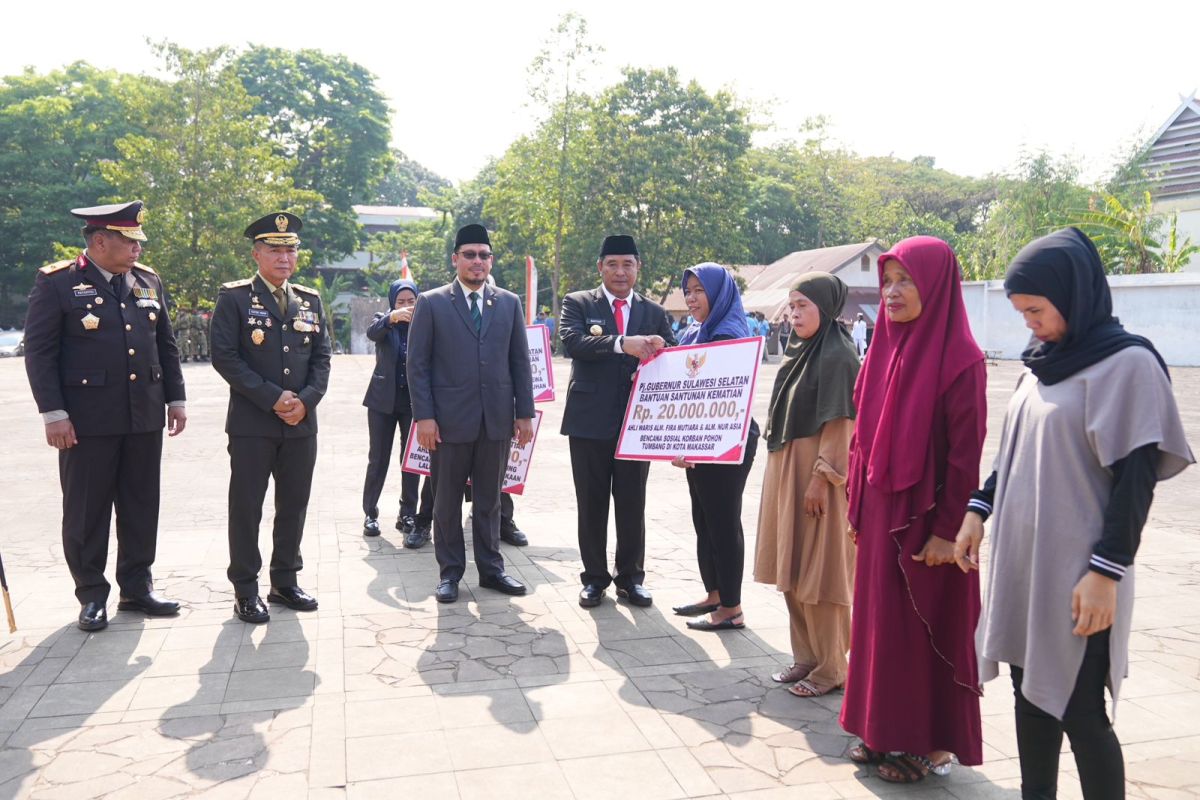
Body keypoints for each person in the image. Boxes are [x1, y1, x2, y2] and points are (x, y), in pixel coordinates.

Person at [955, 228, 1193, 800]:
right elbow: (1013, 454)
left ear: (1074, 294)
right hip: (1023, 566)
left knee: (1081, 713)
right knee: (1029, 698)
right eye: (1021, 312)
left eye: (1036, 310)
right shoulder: (1041, 363)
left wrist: (1105, 573)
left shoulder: (1128, 365)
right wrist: (976, 511)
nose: (1029, 324)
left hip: (1079, 571)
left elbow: (1136, 483)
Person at [840, 235, 987, 782]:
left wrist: (949, 532)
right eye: (888, 281)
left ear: (937, 286)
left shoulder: (961, 360)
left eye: (906, 281)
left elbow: (966, 459)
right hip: (881, 513)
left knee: (920, 631)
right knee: (880, 627)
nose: (893, 292)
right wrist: (857, 507)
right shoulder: (883, 346)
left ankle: (932, 745)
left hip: (928, 523)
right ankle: (881, 731)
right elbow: (862, 440)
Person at [23, 200, 186, 631]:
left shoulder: (147, 281)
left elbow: (164, 344)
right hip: (86, 420)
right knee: (87, 510)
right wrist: (53, 413)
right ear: (99, 241)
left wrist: (176, 399)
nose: (137, 249)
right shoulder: (58, 282)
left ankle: (137, 587)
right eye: (128, 241)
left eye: (137, 240)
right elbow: (40, 354)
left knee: (140, 504)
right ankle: (91, 593)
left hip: (143, 415)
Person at [210, 212, 332, 624]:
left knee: (294, 504)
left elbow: (322, 359)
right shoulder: (235, 298)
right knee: (246, 507)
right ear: (256, 254)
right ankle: (246, 589)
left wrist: (306, 400)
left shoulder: (310, 300)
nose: (284, 257)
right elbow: (225, 358)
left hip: (301, 423)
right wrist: (273, 398)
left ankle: (284, 580)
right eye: (275, 250)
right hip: (253, 423)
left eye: (290, 249)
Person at [407, 224, 535, 603]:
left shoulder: (508, 302)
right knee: (445, 501)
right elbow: (418, 365)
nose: (477, 262)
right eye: (469, 255)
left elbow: (519, 362)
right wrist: (424, 418)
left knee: (490, 500)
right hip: (447, 423)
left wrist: (524, 413)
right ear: (456, 259)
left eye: (483, 255)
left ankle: (492, 570)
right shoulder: (431, 302)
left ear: (490, 260)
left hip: (495, 420)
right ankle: (450, 573)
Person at [754, 273, 860, 697]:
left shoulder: (838, 356)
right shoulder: (798, 352)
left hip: (819, 481)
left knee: (823, 573)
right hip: (787, 472)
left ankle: (833, 666)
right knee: (793, 567)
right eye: (792, 305)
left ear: (826, 308)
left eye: (804, 306)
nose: (795, 314)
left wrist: (822, 478)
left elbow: (843, 426)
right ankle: (807, 656)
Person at [559, 234, 675, 609]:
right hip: (588, 421)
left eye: (628, 264)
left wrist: (661, 350)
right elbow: (571, 343)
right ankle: (594, 579)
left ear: (638, 268)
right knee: (591, 503)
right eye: (613, 264)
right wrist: (619, 342)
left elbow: (672, 361)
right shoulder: (578, 302)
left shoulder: (655, 312)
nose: (620, 271)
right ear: (600, 268)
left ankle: (630, 578)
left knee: (631, 503)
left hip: (637, 426)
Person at [669, 264, 759, 630]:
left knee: (722, 521)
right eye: (687, 291)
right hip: (700, 442)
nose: (691, 298)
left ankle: (732, 608)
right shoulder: (696, 333)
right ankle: (716, 592)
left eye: (698, 291)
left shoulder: (728, 334)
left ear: (718, 294)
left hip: (727, 442)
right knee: (704, 519)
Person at [361, 278, 423, 538]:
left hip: (412, 402)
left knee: (410, 461)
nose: (406, 306)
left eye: (411, 301)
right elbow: (372, 332)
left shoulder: (423, 323)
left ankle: (407, 512)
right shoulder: (383, 320)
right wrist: (392, 318)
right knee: (378, 458)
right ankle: (370, 513)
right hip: (381, 402)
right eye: (401, 302)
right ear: (392, 302)